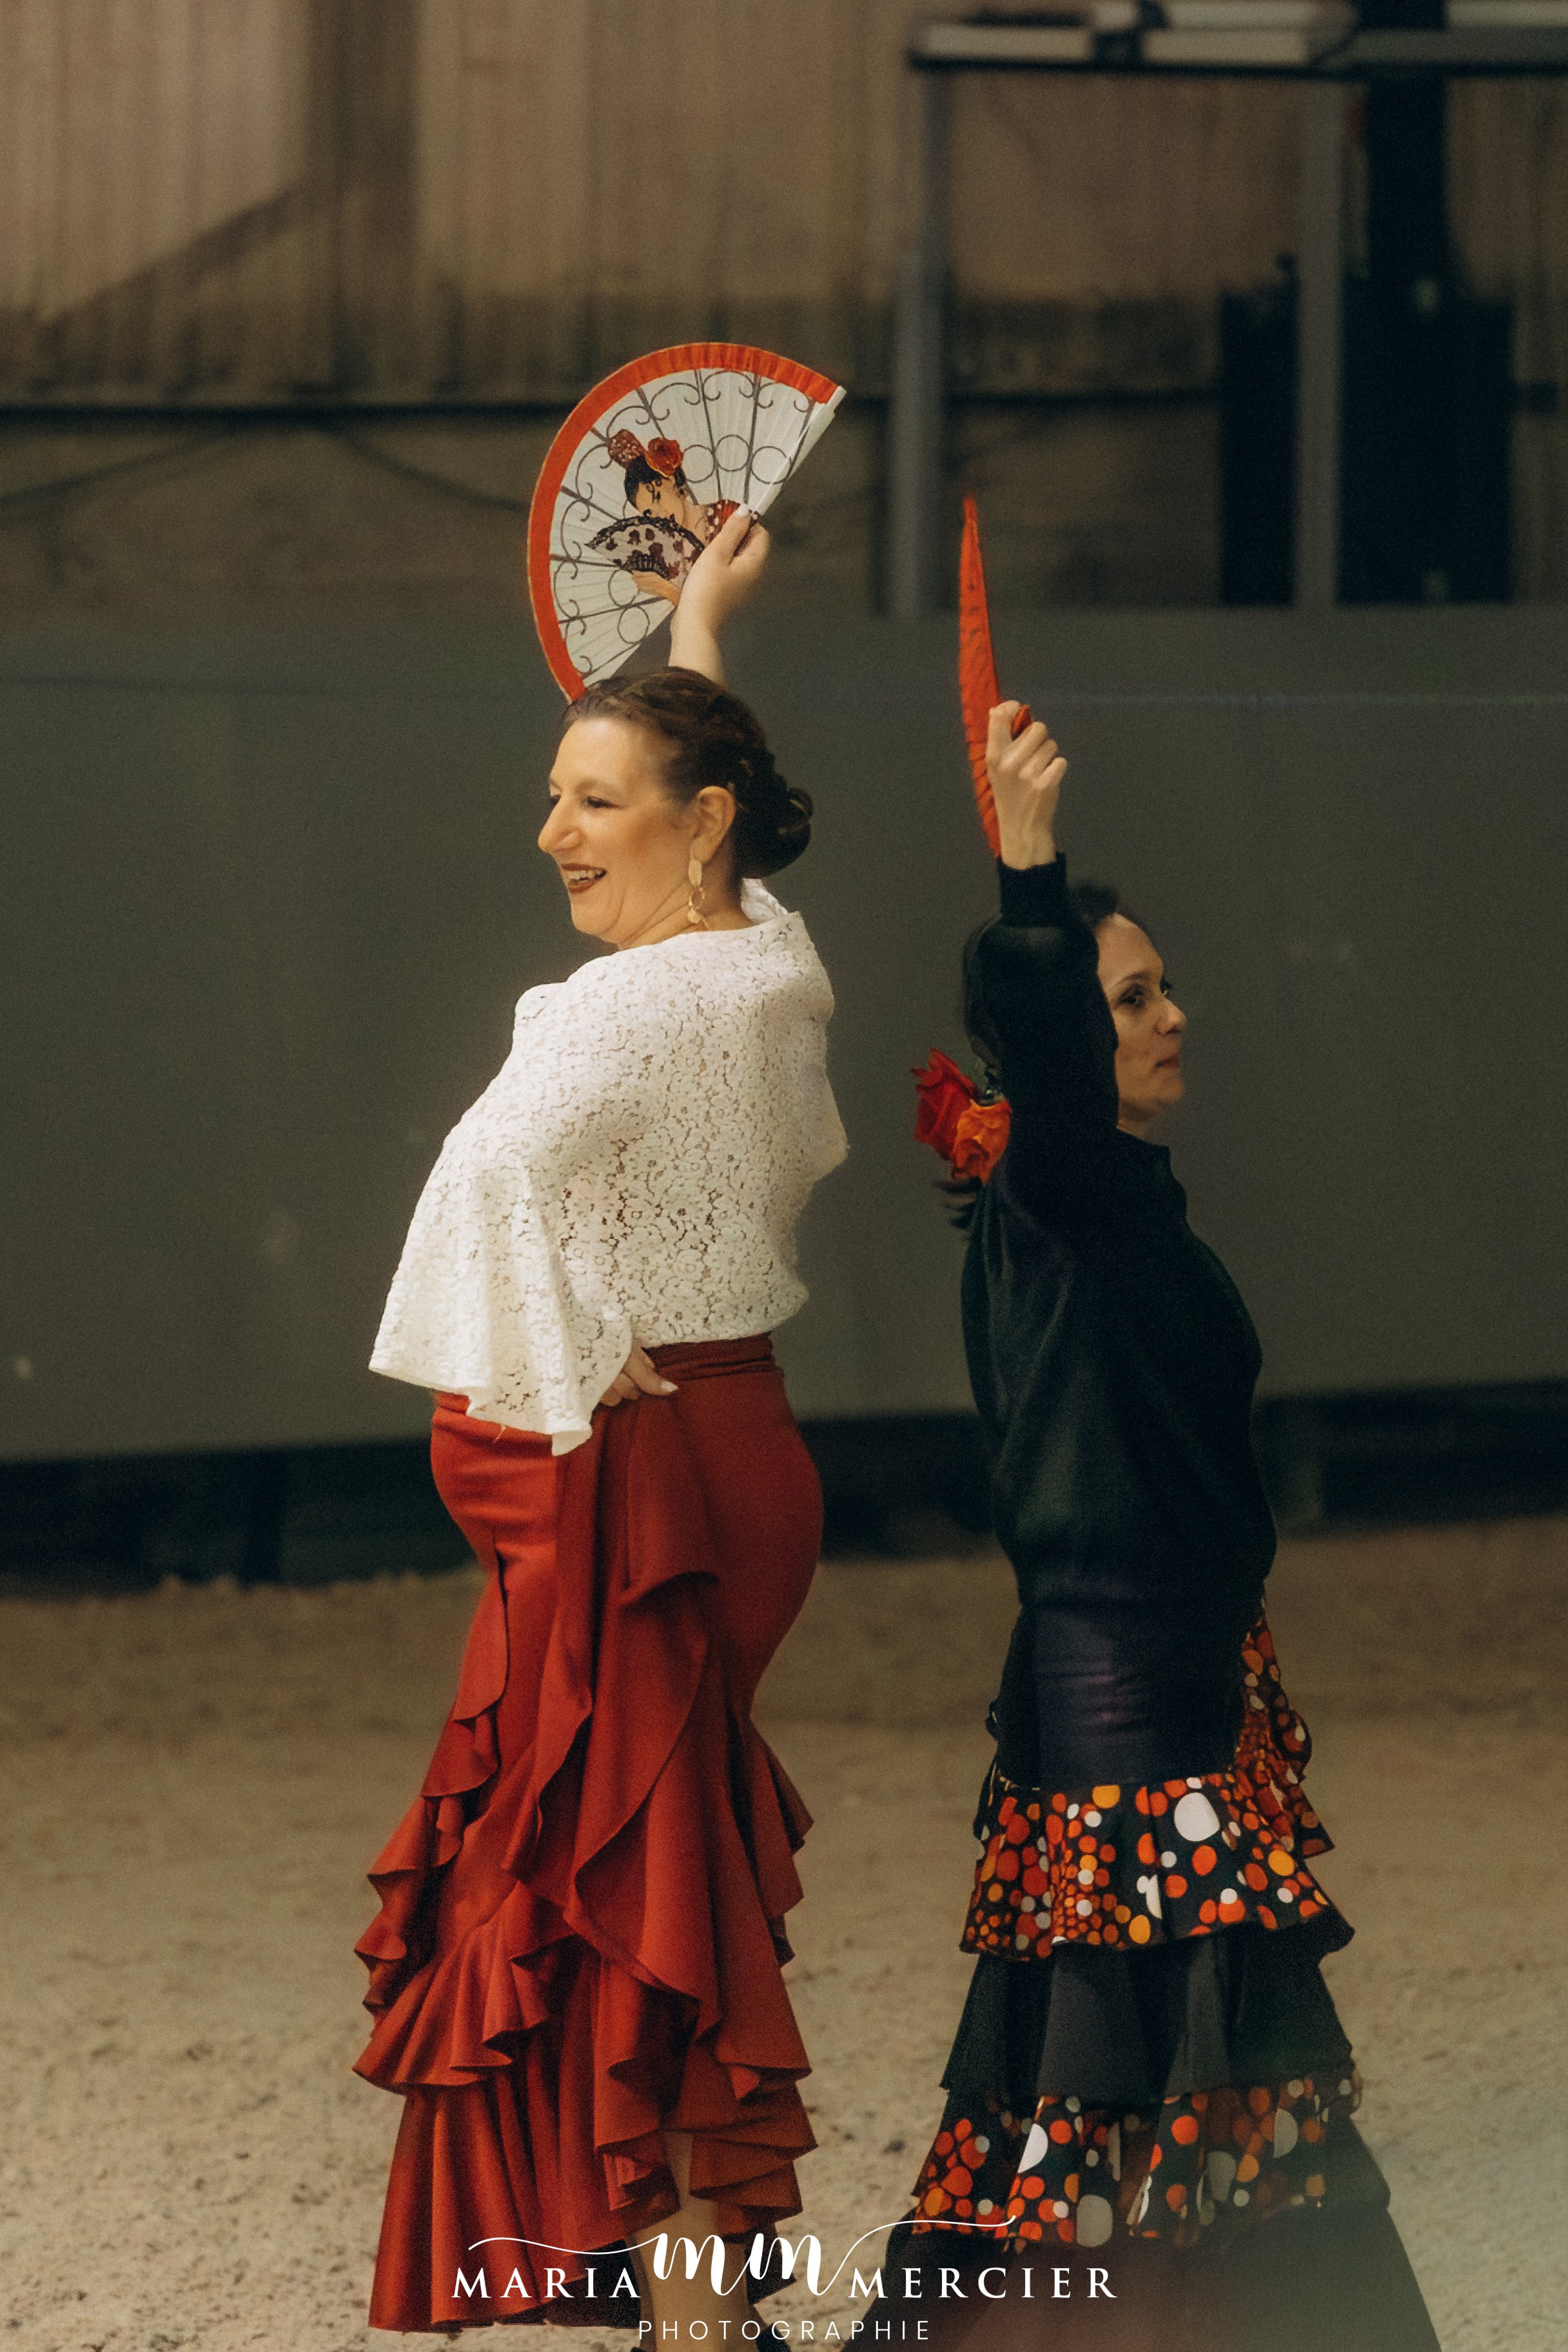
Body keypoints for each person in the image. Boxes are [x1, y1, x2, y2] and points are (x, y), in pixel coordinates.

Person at [890, 705, 1439, 2351]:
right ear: (1056, 1039)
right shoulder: (1057, 1192)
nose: (1170, 1017)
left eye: (1163, 986)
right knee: (1117, 2099)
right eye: (1132, 1000)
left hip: (1178, 1710)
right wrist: (1027, 866)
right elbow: (1047, 1049)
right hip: (1121, 1722)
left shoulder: (1111, 1206)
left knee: (1217, 2106)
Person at [355, 509, 846, 2337]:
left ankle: (702, 2320)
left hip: (642, 1494)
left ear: (695, 824)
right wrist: (696, 621)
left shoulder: (614, 1014)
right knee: (657, 1867)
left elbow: (480, 1176)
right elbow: (703, 760)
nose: (553, 831)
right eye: (555, 794)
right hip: (750, 1464)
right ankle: (689, 2298)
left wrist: (565, 1351)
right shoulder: (773, 963)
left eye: (591, 800)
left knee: (638, 1889)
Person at [588, 429, 738, 604]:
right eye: (649, 513)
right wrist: (666, 590)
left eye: (658, 497)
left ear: (672, 480)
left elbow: (725, 597)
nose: (661, 514)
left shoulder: (726, 514)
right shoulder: (669, 557)